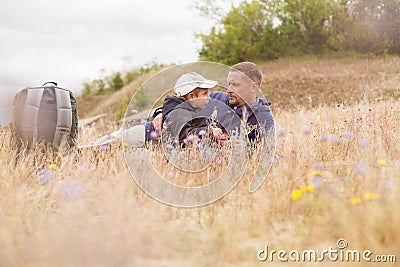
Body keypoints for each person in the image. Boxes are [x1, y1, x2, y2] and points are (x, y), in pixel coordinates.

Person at [153, 62, 274, 143]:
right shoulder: (216, 98)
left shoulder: (264, 119)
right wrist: (160, 113)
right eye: (229, 84)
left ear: (253, 87)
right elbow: (183, 101)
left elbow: (263, 153)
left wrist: (236, 149)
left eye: (235, 85)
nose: (228, 90)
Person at [161, 72, 224, 145]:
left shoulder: (191, 111)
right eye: (205, 94)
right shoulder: (178, 113)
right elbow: (185, 136)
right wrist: (209, 132)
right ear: (191, 97)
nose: (208, 97)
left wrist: (218, 141)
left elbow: (198, 132)